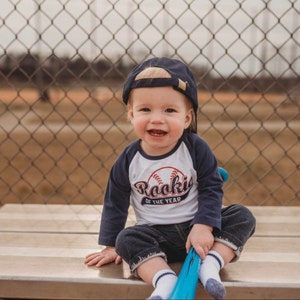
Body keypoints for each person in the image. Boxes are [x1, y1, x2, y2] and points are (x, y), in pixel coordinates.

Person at [85, 57, 256, 300]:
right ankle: (164, 280)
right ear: (131, 114)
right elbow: (115, 203)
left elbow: (211, 187)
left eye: (169, 110)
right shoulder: (128, 160)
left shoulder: (195, 148)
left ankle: (211, 264)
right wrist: (111, 245)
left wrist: (203, 226)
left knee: (242, 216)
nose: (157, 118)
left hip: (196, 232)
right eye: (145, 109)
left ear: (186, 118)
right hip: (155, 237)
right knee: (127, 239)